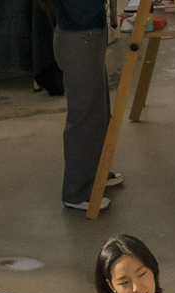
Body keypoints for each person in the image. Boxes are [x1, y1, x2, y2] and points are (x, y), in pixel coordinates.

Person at [50, 0, 123, 211]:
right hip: (79, 41)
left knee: (98, 112)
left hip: (87, 38)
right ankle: (77, 192)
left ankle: (96, 175)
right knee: (84, 119)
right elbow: (81, 11)